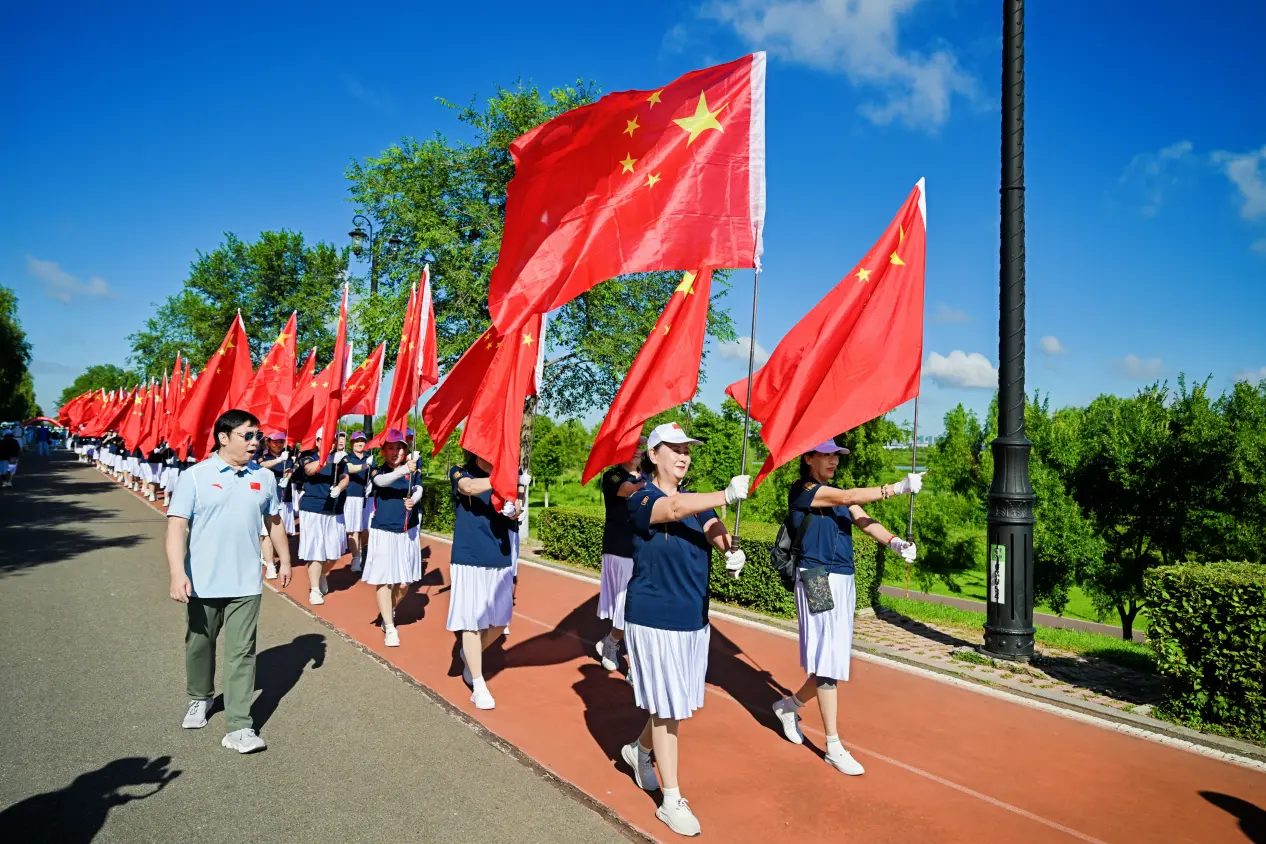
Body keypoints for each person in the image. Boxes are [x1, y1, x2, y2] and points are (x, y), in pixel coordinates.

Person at [620, 423, 748, 837]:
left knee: (673, 703)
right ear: (653, 454)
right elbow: (672, 511)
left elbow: (713, 528)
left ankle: (638, 750)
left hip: (693, 618)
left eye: (687, 449)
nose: (683, 455)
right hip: (653, 615)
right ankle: (670, 799)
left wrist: (732, 549)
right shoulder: (639, 496)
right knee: (669, 707)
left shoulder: (698, 502)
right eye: (674, 448)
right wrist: (726, 494)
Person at [769, 442, 921, 776]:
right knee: (828, 663)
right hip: (816, 577)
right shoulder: (804, 489)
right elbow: (848, 498)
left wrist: (896, 543)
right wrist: (896, 488)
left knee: (833, 661)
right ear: (808, 458)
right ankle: (833, 745)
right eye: (826, 454)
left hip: (844, 578)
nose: (833, 460)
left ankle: (788, 706)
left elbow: (865, 519)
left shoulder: (837, 493)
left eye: (836, 455)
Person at [165, 408, 291, 754]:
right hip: (202, 581)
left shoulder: (264, 479)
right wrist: (178, 573)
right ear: (223, 437)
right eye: (247, 436)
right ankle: (200, 697)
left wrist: (284, 559)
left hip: (246, 583)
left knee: (242, 653)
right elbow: (177, 526)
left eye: (258, 436)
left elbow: (274, 519)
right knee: (199, 645)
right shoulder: (195, 476)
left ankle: (239, 727)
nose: (255, 442)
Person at [447, 451, 519, 710]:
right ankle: (478, 684)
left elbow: (517, 506)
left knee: (500, 622)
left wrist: (514, 508)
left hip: (499, 556)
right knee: (471, 621)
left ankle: (469, 653)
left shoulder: (507, 474)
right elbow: (467, 487)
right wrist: (502, 478)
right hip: (469, 556)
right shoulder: (459, 470)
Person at [363, 429, 422, 647]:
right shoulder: (378, 469)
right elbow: (382, 482)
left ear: (405, 449)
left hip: (406, 530)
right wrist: (404, 469)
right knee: (385, 579)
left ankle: (390, 608)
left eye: (399, 447)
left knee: (404, 583)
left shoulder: (413, 469)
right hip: (384, 530)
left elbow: (418, 488)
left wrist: (413, 499)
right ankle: (389, 626)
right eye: (391, 448)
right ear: (384, 451)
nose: (395, 451)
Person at [594, 438, 647, 672]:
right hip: (619, 549)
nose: (638, 452)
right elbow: (629, 491)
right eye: (634, 447)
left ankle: (611, 642)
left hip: (644, 550)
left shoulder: (646, 476)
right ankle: (627, 658)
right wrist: (657, 487)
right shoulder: (613, 476)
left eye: (641, 447)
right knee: (627, 608)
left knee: (639, 608)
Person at [297, 430, 349, 605]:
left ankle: (323, 574)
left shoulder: (341, 460)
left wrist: (339, 487)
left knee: (334, 552)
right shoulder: (308, 457)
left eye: (333, 440)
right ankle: (315, 589)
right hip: (314, 508)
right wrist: (326, 459)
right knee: (316, 551)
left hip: (335, 509)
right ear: (318, 442)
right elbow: (309, 470)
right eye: (326, 440)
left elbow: (345, 477)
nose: (331, 443)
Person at [255, 433, 291, 580]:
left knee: (281, 532)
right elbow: (261, 465)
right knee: (266, 534)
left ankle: (277, 559)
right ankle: (270, 565)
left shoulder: (287, 455)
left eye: (281, 441)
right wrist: (279, 460)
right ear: (268, 443)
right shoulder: (263, 456)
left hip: (283, 498)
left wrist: (287, 478)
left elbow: (289, 469)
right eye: (275, 442)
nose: (278, 444)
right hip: (267, 498)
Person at [343, 431, 373, 573]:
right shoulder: (347, 457)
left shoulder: (369, 458)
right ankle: (356, 558)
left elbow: (375, 473)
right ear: (352, 443)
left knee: (366, 529)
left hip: (367, 497)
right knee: (353, 530)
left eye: (362, 440)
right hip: (351, 497)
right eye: (357, 441)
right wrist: (364, 466)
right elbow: (349, 469)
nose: (360, 443)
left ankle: (363, 552)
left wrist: (373, 482)